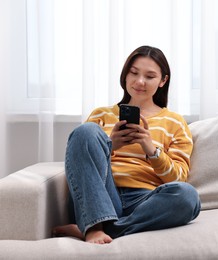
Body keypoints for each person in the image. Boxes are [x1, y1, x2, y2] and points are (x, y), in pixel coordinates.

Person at [52, 45, 201, 244]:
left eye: (149, 76)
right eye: (134, 73)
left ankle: (102, 228)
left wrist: (151, 149)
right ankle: (95, 225)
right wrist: (110, 145)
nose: (140, 82)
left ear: (163, 81)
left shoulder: (175, 122)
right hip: (101, 194)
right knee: (85, 132)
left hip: (145, 201)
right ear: (125, 75)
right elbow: (79, 159)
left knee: (188, 196)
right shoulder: (101, 115)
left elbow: (178, 177)